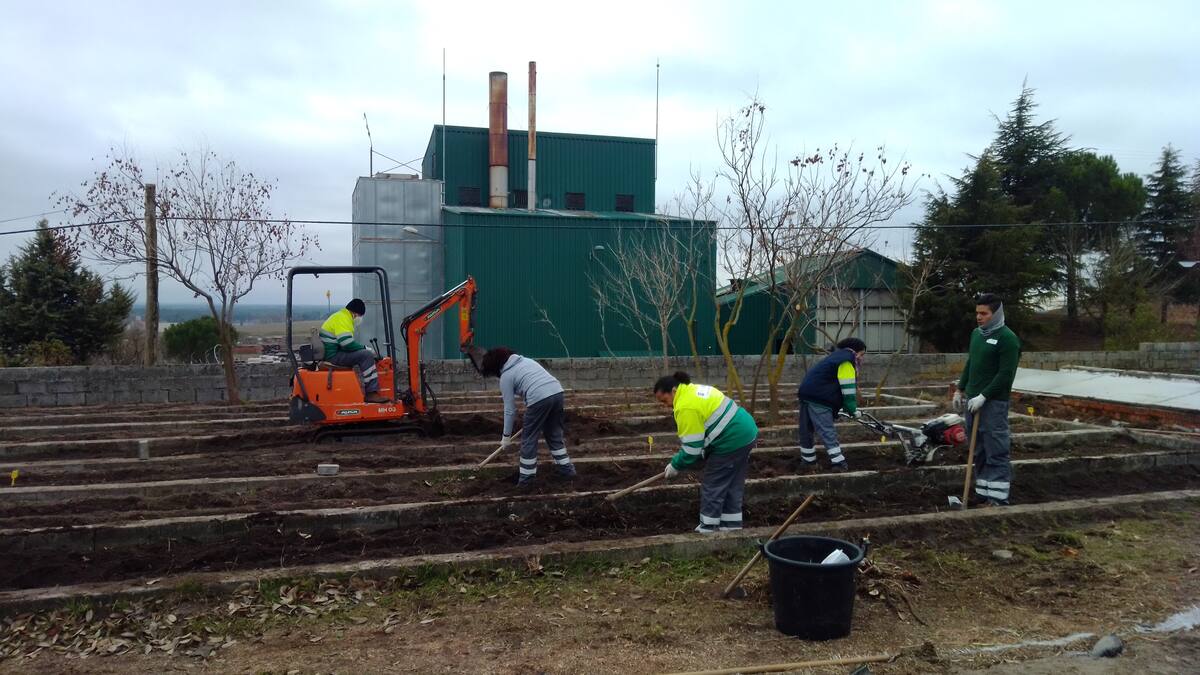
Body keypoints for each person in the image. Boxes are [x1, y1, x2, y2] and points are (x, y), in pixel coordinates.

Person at [655, 372, 759, 534]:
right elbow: (708, 427)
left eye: (665, 400)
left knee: (713, 483)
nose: (666, 405)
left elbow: (691, 449)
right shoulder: (695, 390)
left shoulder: (685, 406)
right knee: (732, 484)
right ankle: (731, 528)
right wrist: (704, 451)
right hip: (745, 432)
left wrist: (676, 465)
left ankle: (708, 528)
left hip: (731, 439)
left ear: (674, 391)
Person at [953, 293, 1021, 506]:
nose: (979, 317)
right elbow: (971, 363)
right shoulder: (977, 334)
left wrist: (985, 395)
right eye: (977, 313)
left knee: (996, 448)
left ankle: (998, 498)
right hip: (973, 401)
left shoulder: (1008, 339)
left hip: (993, 403)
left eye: (984, 313)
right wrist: (960, 389)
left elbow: (1005, 375)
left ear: (996, 314)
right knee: (978, 448)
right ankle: (983, 492)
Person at [479, 347, 576, 486]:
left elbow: (510, 409)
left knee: (529, 439)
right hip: (557, 393)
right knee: (554, 434)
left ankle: (526, 480)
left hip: (539, 398)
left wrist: (506, 436)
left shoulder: (506, 376)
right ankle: (567, 471)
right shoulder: (526, 361)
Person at [795, 337, 867, 472]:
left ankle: (808, 462)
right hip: (820, 398)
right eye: (861, 355)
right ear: (855, 352)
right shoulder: (846, 360)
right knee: (826, 430)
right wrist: (852, 410)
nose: (861, 358)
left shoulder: (834, 357)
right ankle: (839, 463)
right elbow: (848, 390)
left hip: (806, 394)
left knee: (806, 430)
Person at [319, 298, 388, 403]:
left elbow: (344, 343)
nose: (360, 319)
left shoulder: (340, 316)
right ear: (355, 314)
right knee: (366, 355)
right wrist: (366, 349)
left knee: (363, 353)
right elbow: (346, 343)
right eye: (360, 316)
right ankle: (371, 393)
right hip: (333, 356)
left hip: (333, 352)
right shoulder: (343, 319)